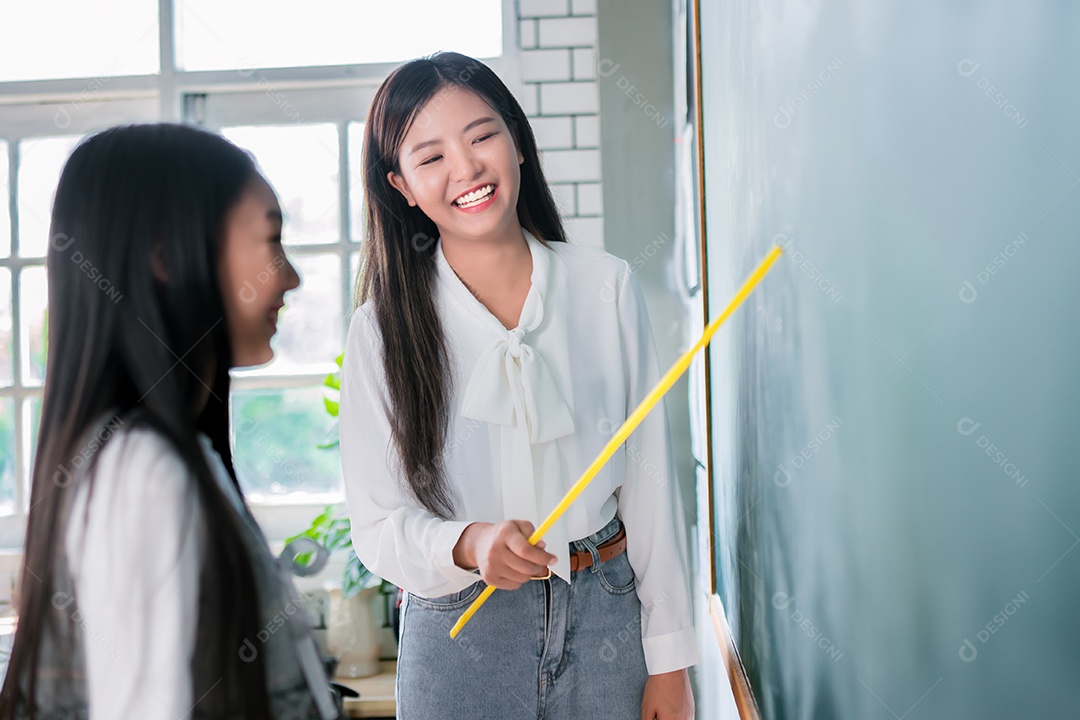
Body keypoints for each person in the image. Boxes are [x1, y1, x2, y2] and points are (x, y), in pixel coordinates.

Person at [340, 52, 698, 719]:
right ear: (401, 187)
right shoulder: (382, 330)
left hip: (607, 617)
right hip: (460, 631)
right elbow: (377, 523)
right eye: (431, 156)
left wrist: (671, 660)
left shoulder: (605, 287)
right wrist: (470, 543)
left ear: (518, 142)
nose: (467, 168)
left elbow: (650, 487)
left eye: (481, 137)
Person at [0, 124, 341, 719]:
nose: (290, 277)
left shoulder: (161, 456)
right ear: (165, 254)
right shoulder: (142, 474)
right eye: (271, 240)